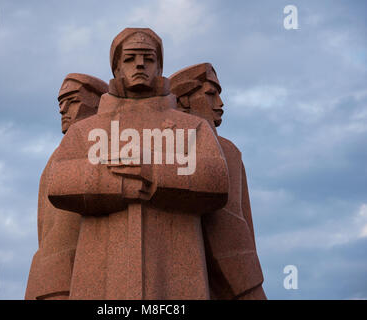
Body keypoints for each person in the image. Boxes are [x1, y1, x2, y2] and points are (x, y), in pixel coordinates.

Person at [47, 28, 230, 299]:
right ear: (117, 68)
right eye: (130, 58)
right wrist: (116, 181)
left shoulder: (192, 127)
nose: (140, 64)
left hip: (176, 270)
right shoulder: (85, 130)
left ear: (159, 66)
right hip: (100, 272)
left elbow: (216, 179)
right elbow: (58, 181)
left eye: (149, 58)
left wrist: (155, 174)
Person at [170, 63, 266, 299]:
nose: (220, 104)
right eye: (211, 95)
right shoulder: (220, 149)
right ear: (184, 101)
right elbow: (229, 233)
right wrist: (251, 292)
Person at [25, 73, 108, 300]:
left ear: (99, 102)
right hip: (50, 272)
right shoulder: (59, 154)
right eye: (61, 103)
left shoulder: (100, 145)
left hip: (72, 274)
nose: (62, 109)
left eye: (72, 101)